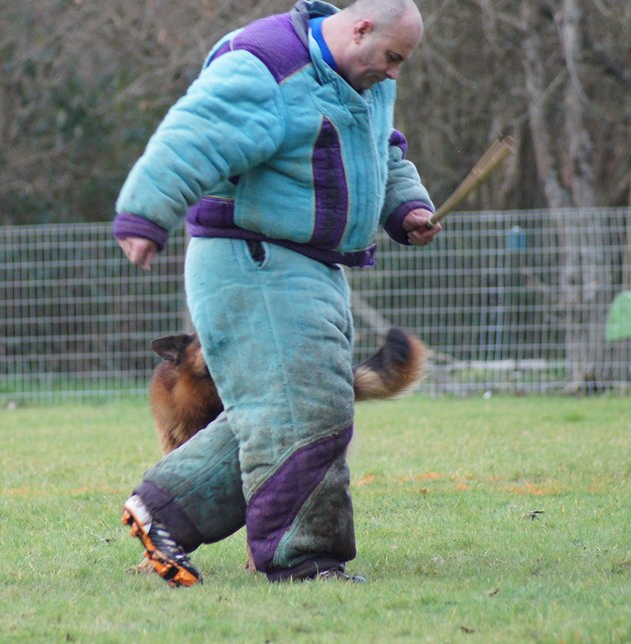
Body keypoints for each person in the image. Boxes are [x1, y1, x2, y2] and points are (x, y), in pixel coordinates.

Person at [115, 0, 442, 587]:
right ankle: (305, 561)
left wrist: (406, 207)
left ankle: (164, 509)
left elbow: (382, 152)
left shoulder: (360, 78)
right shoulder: (268, 61)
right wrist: (145, 213)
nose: (395, 73)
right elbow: (197, 132)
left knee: (299, 410)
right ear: (361, 27)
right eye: (392, 57)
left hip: (312, 267)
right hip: (254, 261)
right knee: (308, 412)